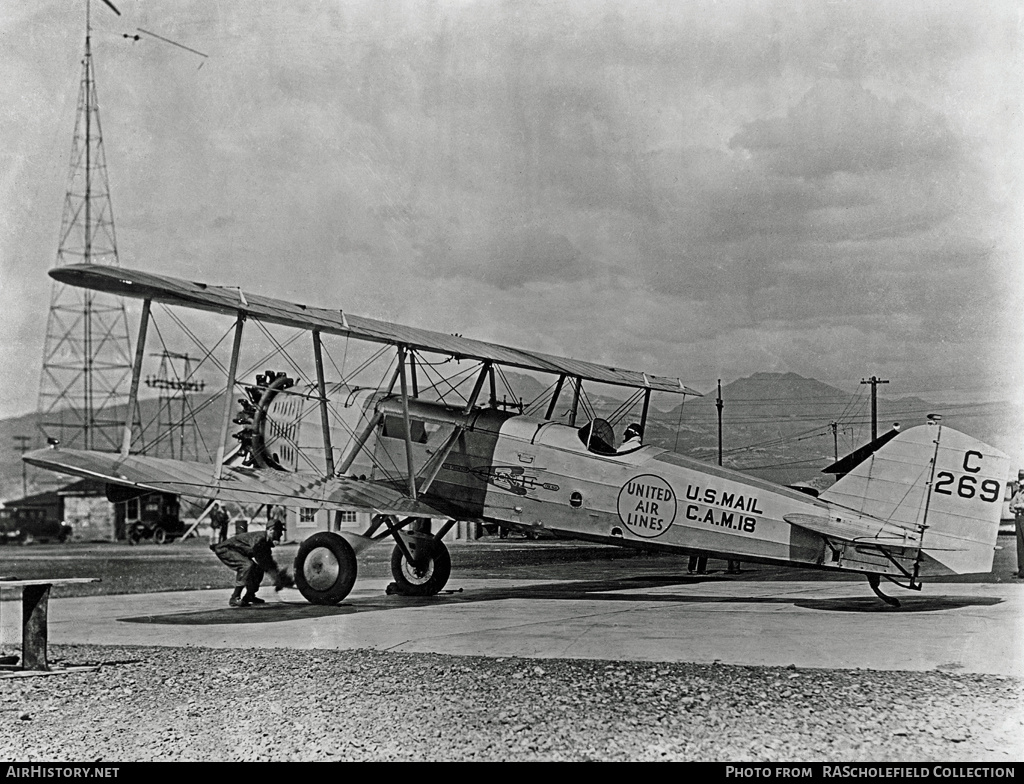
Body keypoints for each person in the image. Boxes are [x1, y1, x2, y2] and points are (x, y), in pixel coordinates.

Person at [210, 519, 292, 607]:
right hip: (225, 549)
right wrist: (277, 578)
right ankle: (234, 598)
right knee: (247, 565)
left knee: (258, 569)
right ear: (271, 530)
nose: (281, 534)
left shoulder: (265, 542)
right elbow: (262, 560)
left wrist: (278, 577)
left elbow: (268, 563)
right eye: (279, 531)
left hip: (236, 551)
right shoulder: (259, 539)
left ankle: (249, 596)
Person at [1010, 478, 1024, 579]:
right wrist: (1016, 507)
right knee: (1020, 545)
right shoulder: (1018, 493)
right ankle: (1022, 569)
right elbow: (1011, 506)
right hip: (1019, 517)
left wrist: (1017, 506)